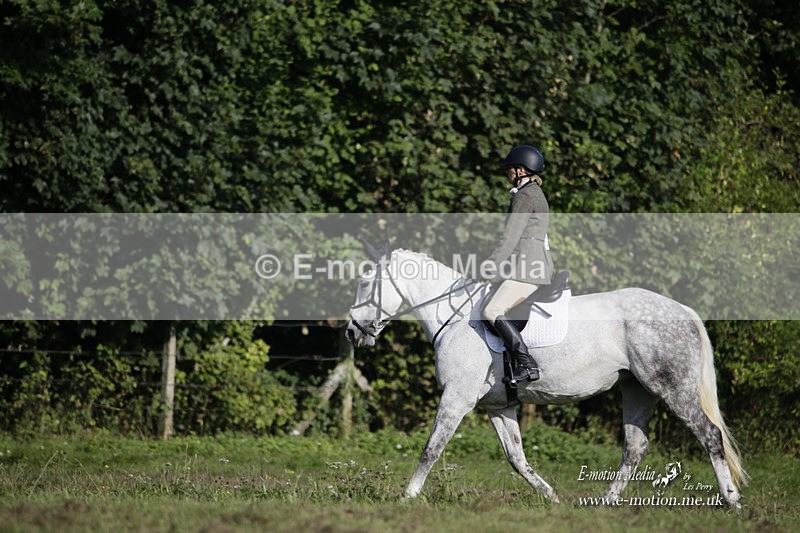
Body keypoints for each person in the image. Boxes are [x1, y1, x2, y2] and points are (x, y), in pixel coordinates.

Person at [481, 145, 554, 383]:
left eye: (509, 170)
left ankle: (526, 364)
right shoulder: (536, 193)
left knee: (491, 310)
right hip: (533, 264)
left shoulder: (524, 196)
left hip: (528, 268)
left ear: (520, 170)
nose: (507, 174)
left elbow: (510, 238)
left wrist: (490, 266)